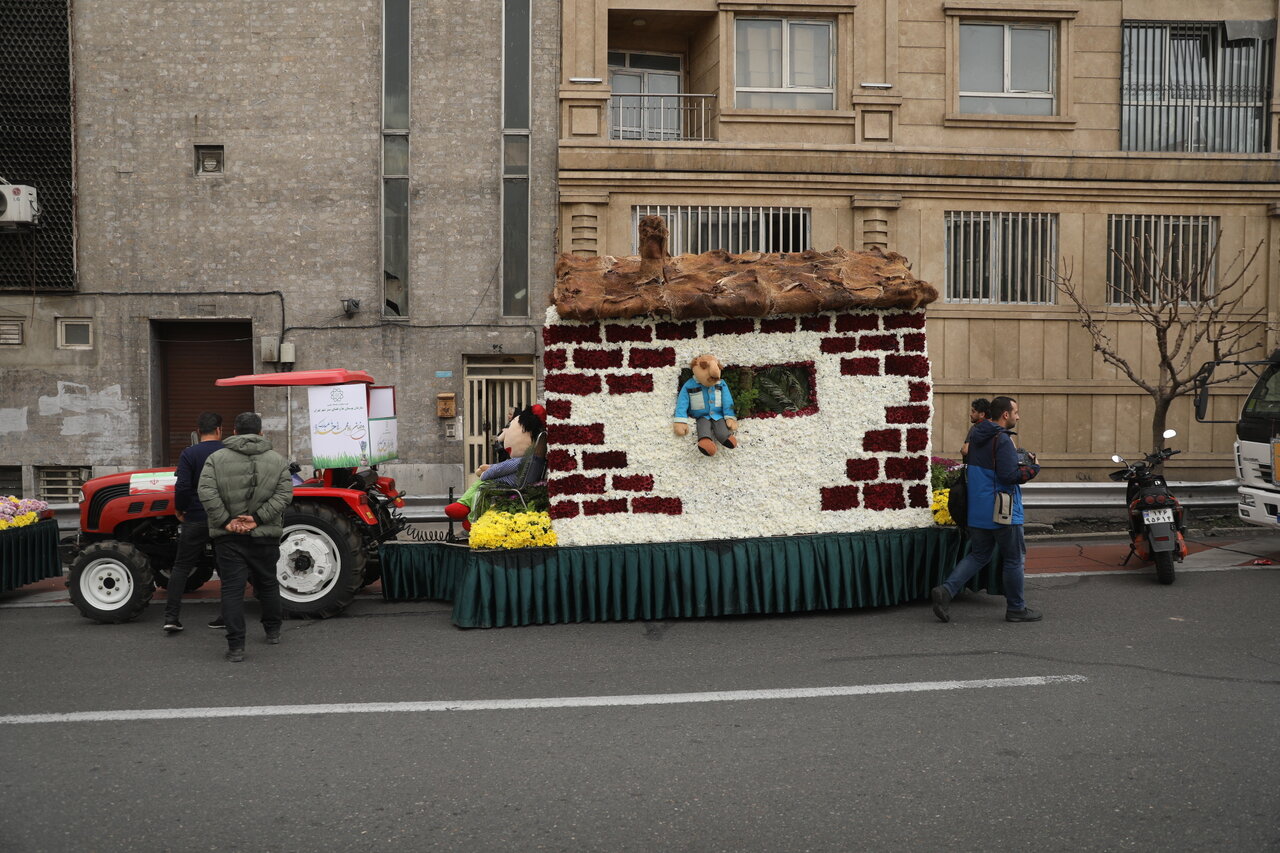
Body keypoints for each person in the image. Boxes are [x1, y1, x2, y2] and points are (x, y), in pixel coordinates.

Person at [931, 395, 1042, 623]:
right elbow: (1009, 475)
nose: (1018, 416)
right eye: (1016, 412)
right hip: (1002, 510)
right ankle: (1016, 609)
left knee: (979, 554)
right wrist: (1033, 468)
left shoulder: (975, 435)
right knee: (1014, 558)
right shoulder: (1001, 440)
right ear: (1005, 415)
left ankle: (947, 590)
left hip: (977, 508)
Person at [197, 411, 292, 662]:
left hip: (229, 537)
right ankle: (273, 631)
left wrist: (227, 522)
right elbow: (284, 495)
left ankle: (236, 646)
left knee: (231, 590)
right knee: (268, 583)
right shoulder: (277, 460)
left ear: (235, 432)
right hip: (265, 534)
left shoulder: (215, 459)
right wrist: (257, 519)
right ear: (261, 433)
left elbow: (206, 492)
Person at [162, 412, 224, 634]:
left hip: (196, 516)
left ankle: (171, 617)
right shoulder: (227, 452)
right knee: (225, 566)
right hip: (222, 518)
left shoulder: (189, 453)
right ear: (219, 430)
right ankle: (226, 616)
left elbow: (182, 486)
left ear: (199, 432)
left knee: (181, 567)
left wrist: (181, 508)